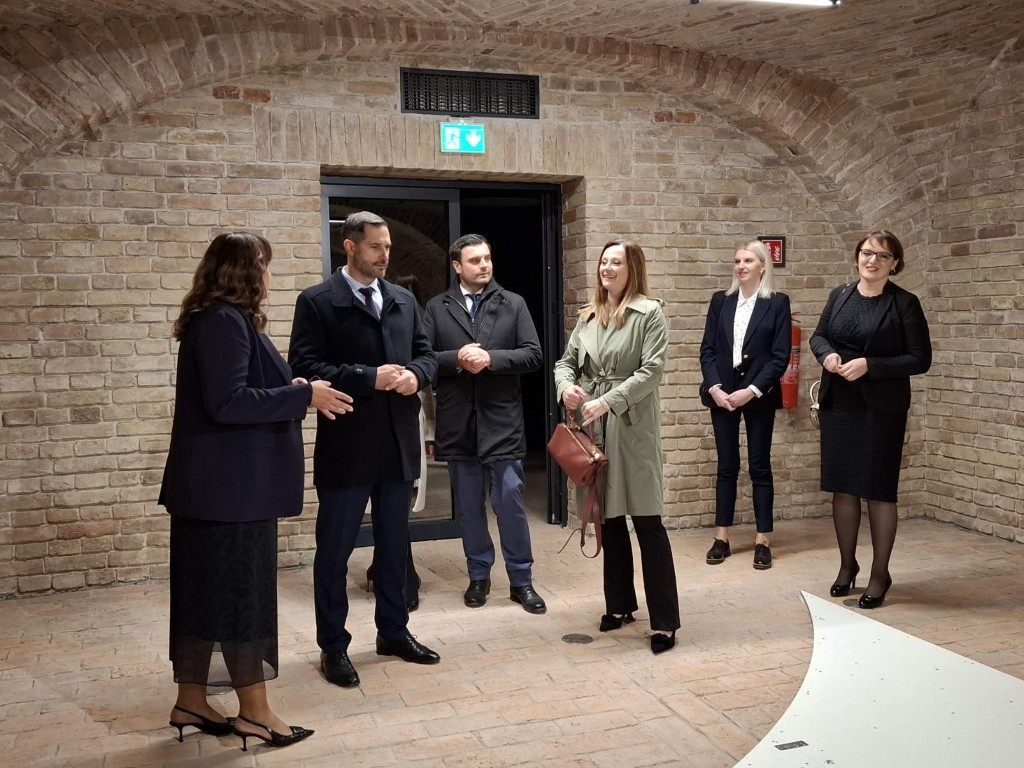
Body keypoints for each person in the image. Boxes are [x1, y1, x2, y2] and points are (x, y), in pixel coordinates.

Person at [160, 232, 353, 750]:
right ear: (244, 271)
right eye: (264, 265)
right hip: (231, 494)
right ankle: (255, 713)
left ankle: (192, 700)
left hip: (215, 491)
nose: (269, 276)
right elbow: (228, 402)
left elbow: (236, 392)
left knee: (205, 597)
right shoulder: (223, 321)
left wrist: (293, 391)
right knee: (241, 599)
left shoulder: (218, 318)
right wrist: (303, 396)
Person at [289, 211, 441, 690]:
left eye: (388, 246)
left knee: (395, 548)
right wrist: (367, 377)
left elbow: (426, 355)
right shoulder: (317, 301)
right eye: (376, 246)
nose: (385, 255)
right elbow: (303, 366)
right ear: (350, 247)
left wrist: (417, 375)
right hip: (347, 446)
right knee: (334, 552)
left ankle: (393, 632)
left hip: (397, 443)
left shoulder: (403, 299)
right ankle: (333, 646)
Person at [553, 239, 680, 654]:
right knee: (608, 518)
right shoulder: (588, 315)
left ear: (632, 269)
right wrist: (566, 387)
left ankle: (665, 622)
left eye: (615, 262)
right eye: (603, 262)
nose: (607, 268)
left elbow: (652, 370)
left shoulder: (650, 313)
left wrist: (608, 400)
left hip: (633, 425)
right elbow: (565, 362)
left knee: (647, 520)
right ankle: (620, 605)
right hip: (593, 426)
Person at [422, 234, 546, 614]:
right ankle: (478, 576)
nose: (484, 265)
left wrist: (491, 359)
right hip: (458, 423)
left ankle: (521, 581)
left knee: (509, 502)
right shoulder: (437, 307)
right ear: (457, 266)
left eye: (487, 258)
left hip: (502, 422)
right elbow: (423, 359)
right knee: (469, 509)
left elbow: (533, 355)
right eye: (475, 260)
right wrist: (457, 359)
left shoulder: (513, 303)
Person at [810, 230, 931, 609]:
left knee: (878, 490)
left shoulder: (904, 303)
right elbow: (818, 336)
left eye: (882, 255)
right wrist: (827, 355)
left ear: (895, 263)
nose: (872, 260)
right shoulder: (840, 294)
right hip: (839, 403)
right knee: (843, 488)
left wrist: (870, 365)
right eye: (866, 253)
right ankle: (848, 566)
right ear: (857, 257)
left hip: (881, 408)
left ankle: (880, 575)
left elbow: (920, 358)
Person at [699, 240, 791, 570]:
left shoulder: (777, 302)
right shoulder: (720, 300)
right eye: (737, 260)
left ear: (763, 266)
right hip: (721, 394)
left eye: (748, 260)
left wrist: (751, 390)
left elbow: (780, 356)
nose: (741, 266)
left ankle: (762, 540)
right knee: (726, 466)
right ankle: (721, 537)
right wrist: (715, 388)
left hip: (758, 395)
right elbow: (707, 350)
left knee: (759, 466)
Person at [365, 274, 429, 611]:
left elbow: (426, 357)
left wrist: (415, 375)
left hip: (405, 415)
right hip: (367, 420)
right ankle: (389, 569)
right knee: (381, 505)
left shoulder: (409, 308)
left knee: (398, 503)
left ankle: (404, 575)